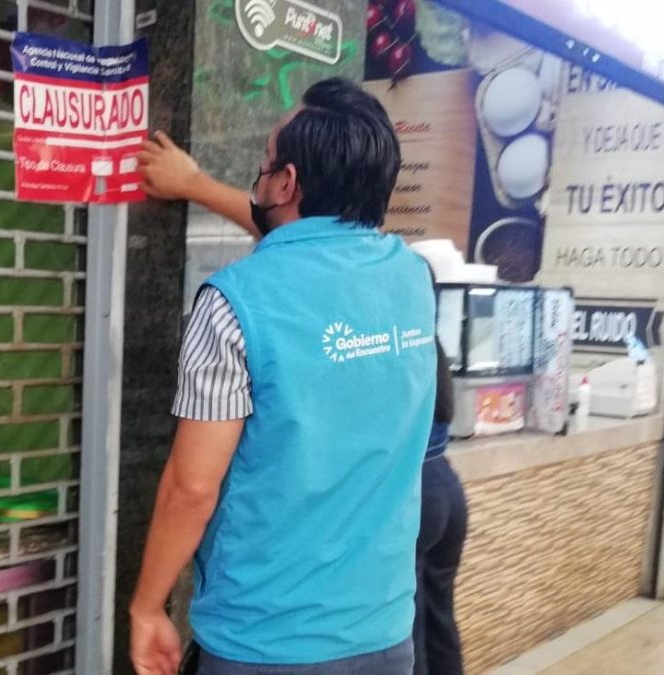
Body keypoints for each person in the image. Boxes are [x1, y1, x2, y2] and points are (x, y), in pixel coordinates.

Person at [129, 77, 438, 675]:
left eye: (266, 165)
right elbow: (309, 244)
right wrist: (192, 184)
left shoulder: (233, 302)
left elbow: (192, 487)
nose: (261, 176)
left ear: (287, 183)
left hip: (266, 642)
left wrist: (147, 606)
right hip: (385, 634)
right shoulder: (412, 279)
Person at [415, 342, 469, 675]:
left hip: (417, 492)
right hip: (447, 486)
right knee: (440, 617)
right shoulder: (426, 343)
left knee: (410, 626)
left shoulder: (394, 346)